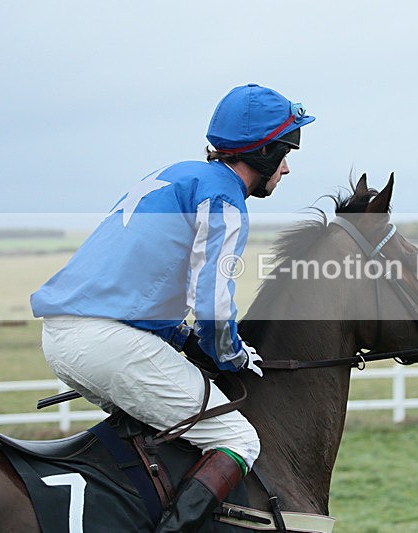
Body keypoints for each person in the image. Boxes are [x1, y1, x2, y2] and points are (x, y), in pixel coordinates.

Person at [30, 83, 315, 532]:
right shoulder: (224, 198)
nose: (287, 167)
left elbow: (141, 281)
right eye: (284, 152)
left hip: (65, 337)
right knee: (237, 438)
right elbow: (213, 301)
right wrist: (233, 355)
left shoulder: (177, 175)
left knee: (163, 441)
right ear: (262, 153)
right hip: (109, 344)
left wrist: (181, 337)